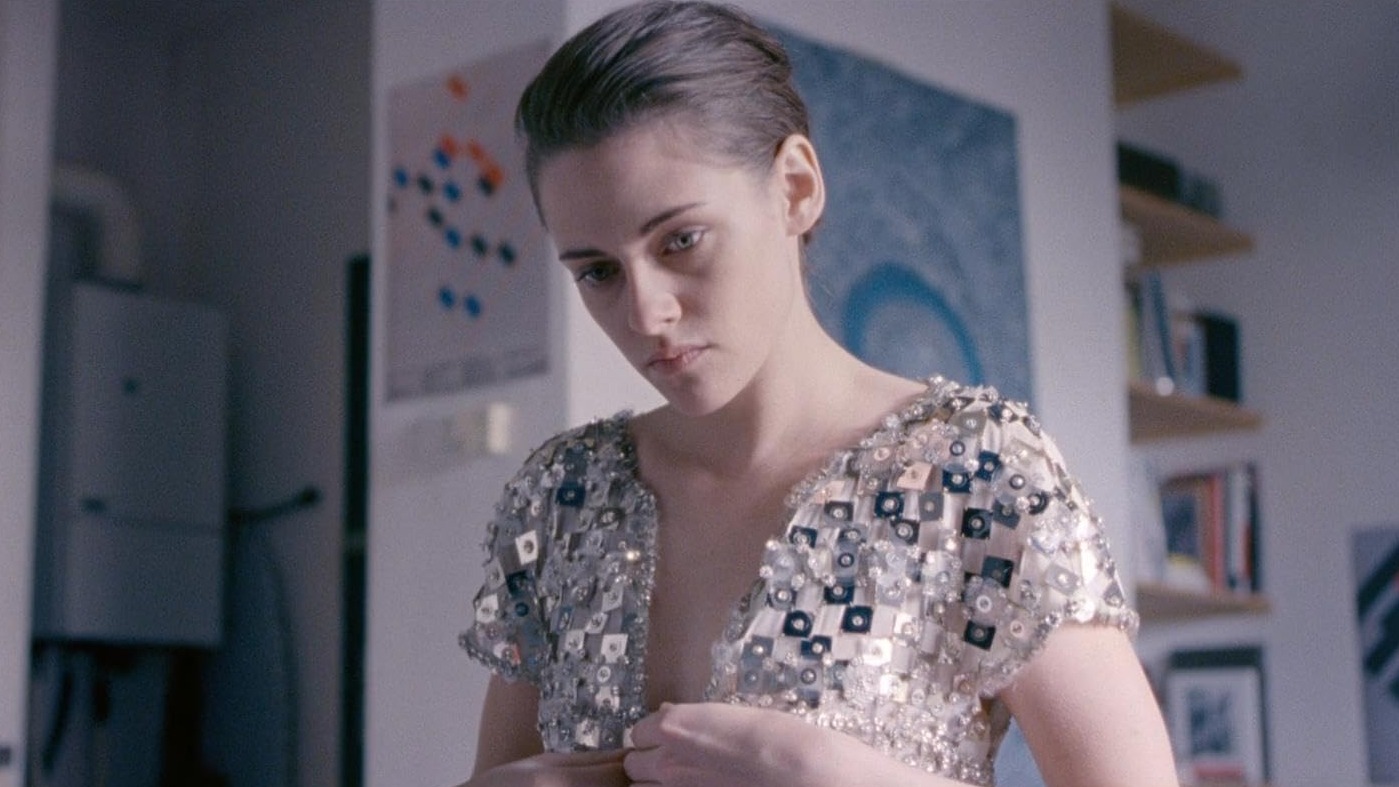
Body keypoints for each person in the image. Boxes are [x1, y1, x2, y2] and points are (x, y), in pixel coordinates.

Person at [458, 2, 1178, 785]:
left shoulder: (976, 471)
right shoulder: (562, 496)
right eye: (598, 271)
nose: (644, 313)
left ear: (795, 188)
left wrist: (832, 772)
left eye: (680, 240)